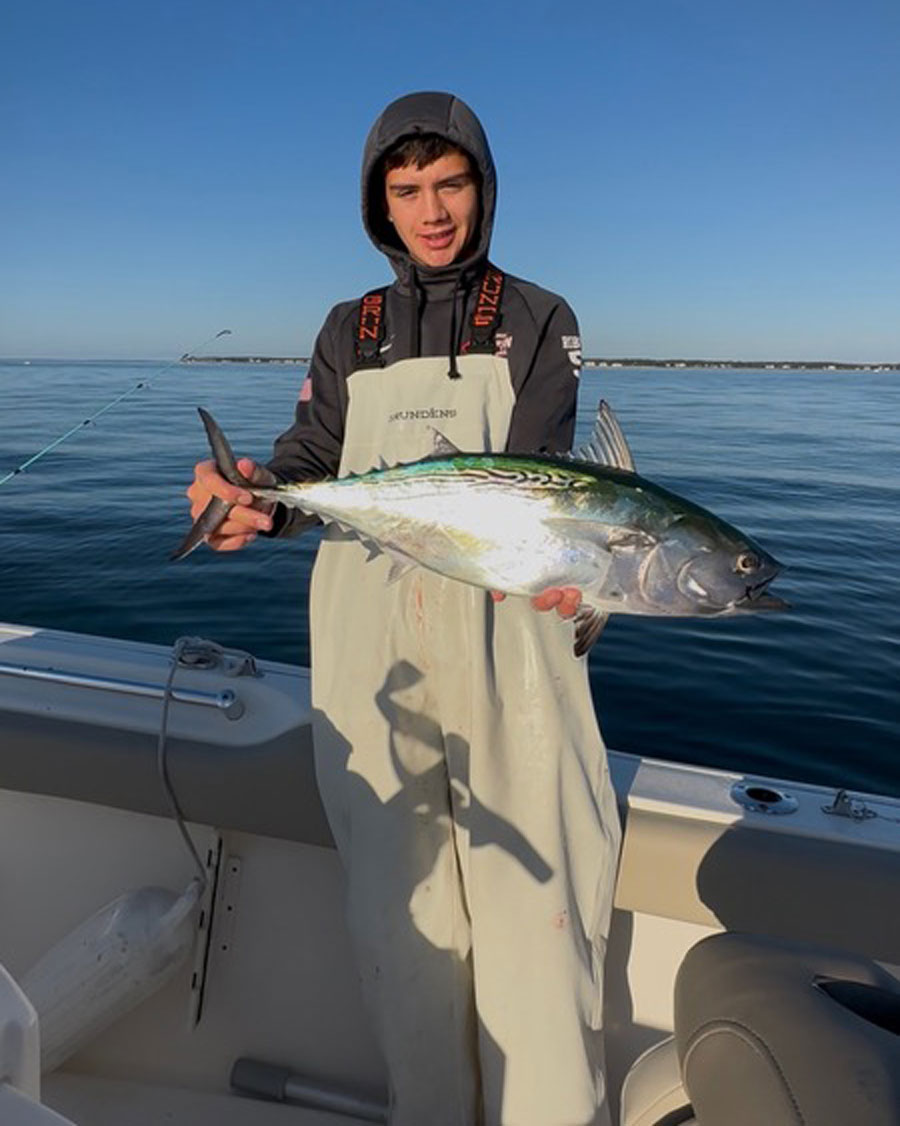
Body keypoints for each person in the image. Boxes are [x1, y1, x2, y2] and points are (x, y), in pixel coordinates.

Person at [187, 91, 621, 1126]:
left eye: (450, 183)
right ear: (380, 203)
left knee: (539, 926)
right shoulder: (353, 328)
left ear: (482, 186)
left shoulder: (537, 317)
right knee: (403, 927)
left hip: (507, 642)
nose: (432, 210)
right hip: (372, 657)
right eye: (407, 188)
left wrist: (581, 567)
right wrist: (257, 501)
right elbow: (311, 465)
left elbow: (541, 473)